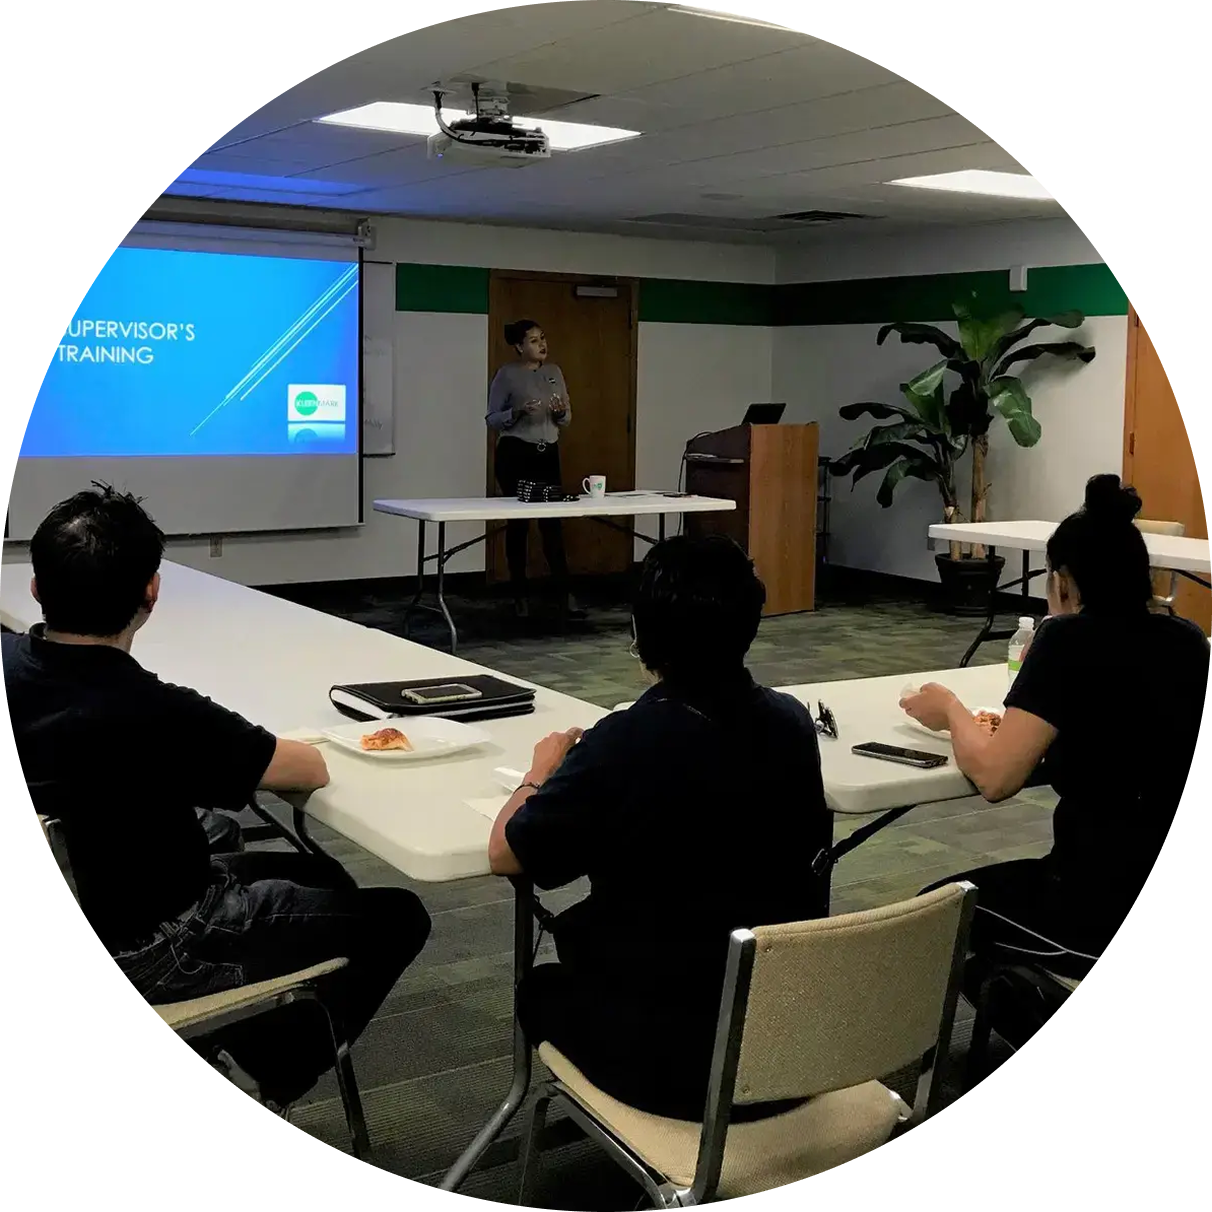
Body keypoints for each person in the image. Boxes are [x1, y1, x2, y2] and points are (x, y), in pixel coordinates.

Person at [5, 483, 432, 1114]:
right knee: (398, 916)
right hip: (159, 943)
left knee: (318, 876)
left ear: (37, 589)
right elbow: (304, 767)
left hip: (104, 895)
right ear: (152, 592)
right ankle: (257, 1074)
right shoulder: (157, 710)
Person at [487, 535, 833, 1120]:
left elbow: (505, 853)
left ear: (643, 633)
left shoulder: (625, 740)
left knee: (539, 988)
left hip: (673, 1066)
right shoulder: (793, 721)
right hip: (784, 1046)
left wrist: (538, 773)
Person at [901, 475, 1208, 995]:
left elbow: (996, 777)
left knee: (930, 915)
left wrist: (950, 710)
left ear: (1063, 581)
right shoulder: (1186, 639)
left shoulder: (1067, 638)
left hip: (1093, 907)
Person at [486, 319, 585, 620]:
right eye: (533, 340)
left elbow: (566, 418)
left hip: (547, 453)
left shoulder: (554, 372)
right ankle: (519, 595)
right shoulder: (507, 375)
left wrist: (560, 413)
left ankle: (564, 593)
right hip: (516, 453)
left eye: (542, 338)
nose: (542, 344)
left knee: (552, 523)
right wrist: (517, 412)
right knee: (519, 524)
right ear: (519, 346)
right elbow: (492, 418)